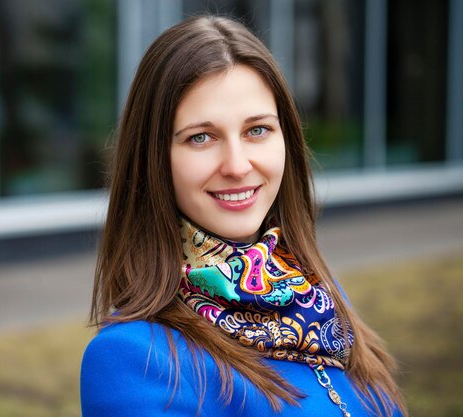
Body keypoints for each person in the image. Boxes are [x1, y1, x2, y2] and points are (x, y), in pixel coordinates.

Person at [80, 15, 407, 417]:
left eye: (257, 130)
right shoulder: (131, 358)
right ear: (153, 161)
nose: (237, 165)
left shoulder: (315, 295)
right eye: (201, 137)